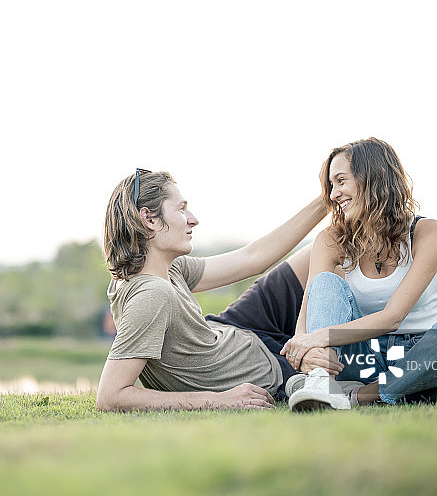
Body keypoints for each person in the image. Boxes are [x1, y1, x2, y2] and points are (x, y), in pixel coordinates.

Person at [96, 169, 334, 411]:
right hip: (260, 368)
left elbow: (253, 258)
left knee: (330, 242)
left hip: (233, 331)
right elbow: (111, 396)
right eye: (181, 209)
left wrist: (326, 198)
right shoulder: (151, 295)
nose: (193, 219)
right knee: (332, 249)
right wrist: (220, 400)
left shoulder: (167, 268)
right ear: (149, 219)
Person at [282, 138, 437, 410]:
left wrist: (318, 338)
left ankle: (358, 396)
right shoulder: (331, 240)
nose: (333, 194)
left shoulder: (429, 233)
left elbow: (393, 317)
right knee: (326, 282)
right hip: (364, 356)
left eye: (341, 181)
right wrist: (306, 352)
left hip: (421, 358)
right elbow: (308, 314)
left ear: (372, 178)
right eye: (331, 185)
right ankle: (321, 382)